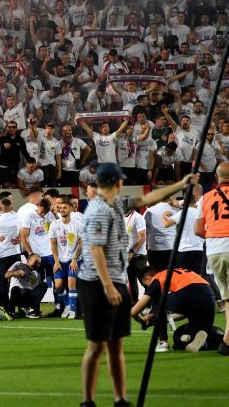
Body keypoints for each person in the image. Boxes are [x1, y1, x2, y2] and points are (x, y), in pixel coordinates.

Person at [78, 163, 196, 407]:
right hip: (97, 283)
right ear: (114, 183)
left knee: (116, 343)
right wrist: (108, 286)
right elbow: (96, 250)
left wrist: (181, 184)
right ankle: (87, 400)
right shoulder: (99, 210)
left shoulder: (116, 204)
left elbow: (148, 197)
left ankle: (120, 398)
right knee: (97, 344)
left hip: (117, 280)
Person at [131, 267, 217, 353]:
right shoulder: (178, 272)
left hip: (186, 294)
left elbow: (134, 312)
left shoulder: (156, 278)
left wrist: (143, 322)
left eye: (146, 285)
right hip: (209, 296)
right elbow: (186, 310)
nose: (147, 287)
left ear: (149, 278)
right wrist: (160, 319)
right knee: (182, 335)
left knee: (155, 297)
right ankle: (218, 339)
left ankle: (163, 343)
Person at [194, 161, 229, 356]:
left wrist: (216, 235)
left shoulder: (206, 198)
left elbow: (198, 229)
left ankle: (226, 341)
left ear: (216, 178)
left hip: (214, 251)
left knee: (227, 297)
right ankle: (226, 341)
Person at [5, 253, 47, 318]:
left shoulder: (36, 274)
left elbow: (37, 294)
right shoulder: (19, 265)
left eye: (39, 263)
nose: (37, 265)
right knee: (15, 288)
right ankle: (10, 312)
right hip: (17, 296)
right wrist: (15, 272)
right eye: (35, 262)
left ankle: (33, 311)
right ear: (28, 260)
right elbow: (6, 275)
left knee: (44, 284)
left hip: (28, 298)